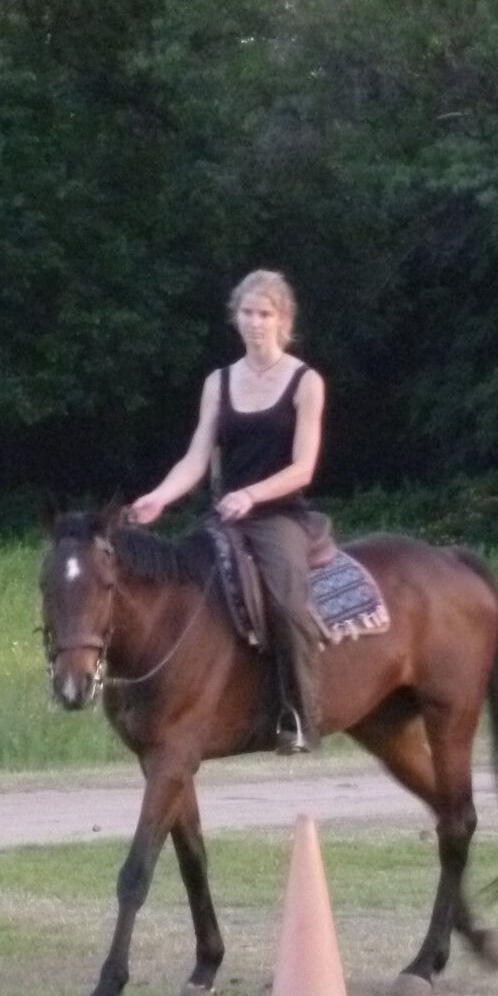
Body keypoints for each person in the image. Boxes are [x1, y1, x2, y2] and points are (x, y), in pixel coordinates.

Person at [126, 270, 329, 754]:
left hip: (279, 516)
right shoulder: (219, 382)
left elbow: (303, 469)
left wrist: (253, 495)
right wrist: (159, 497)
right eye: (247, 313)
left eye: (265, 314)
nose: (255, 323)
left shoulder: (305, 382)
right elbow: (197, 458)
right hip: (226, 517)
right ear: (234, 318)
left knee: (285, 602)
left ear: (284, 320)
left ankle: (302, 716)